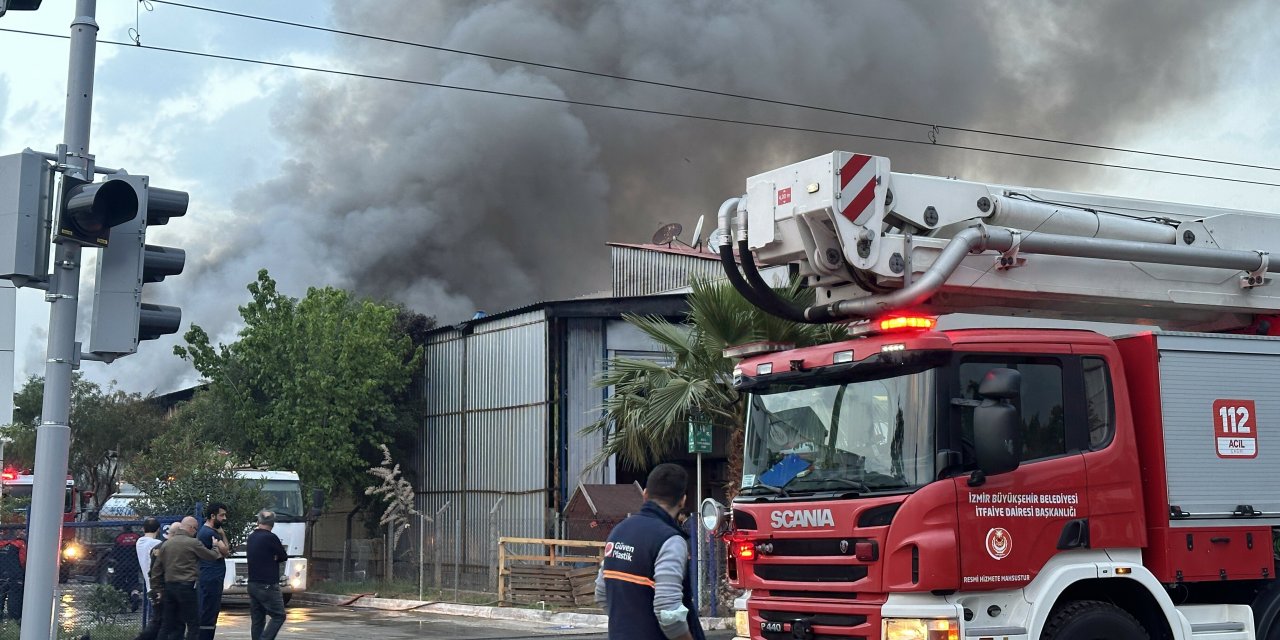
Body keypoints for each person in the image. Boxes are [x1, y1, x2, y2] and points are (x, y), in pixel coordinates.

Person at [595, 463, 704, 640]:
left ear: (645, 494)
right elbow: (669, 612)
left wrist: (629, 626)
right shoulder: (670, 540)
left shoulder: (618, 532)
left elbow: (601, 592)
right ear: (682, 500)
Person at [155, 517, 227, 640]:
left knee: (167, 623)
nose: (196, 532)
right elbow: (211, 556)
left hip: (169, 587)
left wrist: (157, 588)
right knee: (193, 623)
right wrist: (215, 546)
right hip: (187, 586)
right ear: (190, 528)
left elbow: (157, 569)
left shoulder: (166, 544)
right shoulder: (192, 543)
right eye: (195, 529)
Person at [245, 510, 288, 640]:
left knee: (258, 618)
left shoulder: (251, 537)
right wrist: (274, 557)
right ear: (273, 523)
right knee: (279, 615)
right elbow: (283, 556)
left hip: (253, 583)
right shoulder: (271, 537)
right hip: (267, 584)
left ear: (258, 522)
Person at [196, 503, 229, 640]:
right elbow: (226, 550)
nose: (224, 518)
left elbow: (224, 551)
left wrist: (222, 534)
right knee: (209, 611)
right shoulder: (209, 533)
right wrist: (222, 535)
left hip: (212, 577)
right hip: (211, 578)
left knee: (210, 610)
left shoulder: (211, 532)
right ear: (212, 516)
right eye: (222, 515)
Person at [135, 518, 164, 628]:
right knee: (158, 621)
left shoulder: (140, 542)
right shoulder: (158, 544)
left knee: (154, 619)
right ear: (158, 529)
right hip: (159, 585)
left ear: (143, 529)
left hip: (149, 585)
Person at [0, 529, 25, 620]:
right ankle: (14, 623)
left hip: (2, 576)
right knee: (15, 605)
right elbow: (23, 561)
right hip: (15, 577)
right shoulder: (19, 544)